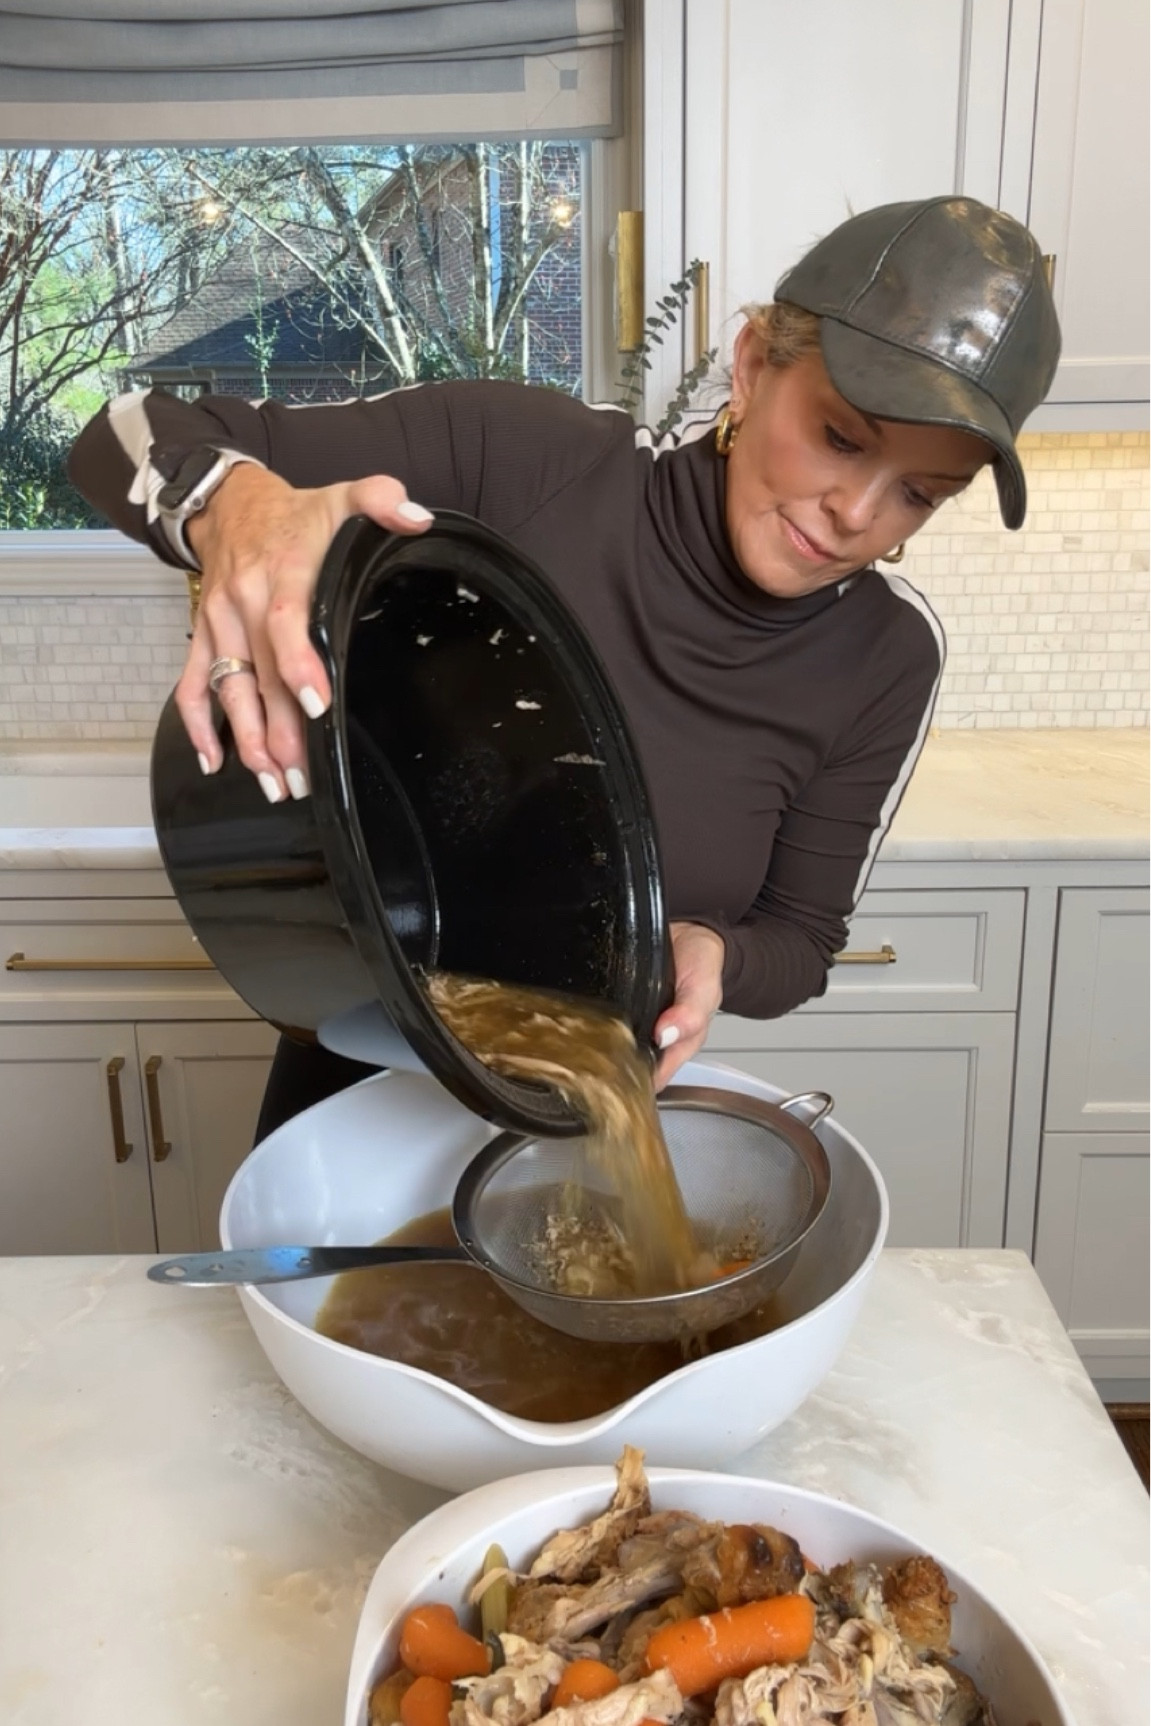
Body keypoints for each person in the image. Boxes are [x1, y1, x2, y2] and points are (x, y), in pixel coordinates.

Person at [69, 195, 1060, 1137]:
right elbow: (119, 435)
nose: (856, 513)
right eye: (840, 438)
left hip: (584, 1102)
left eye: (919, 495)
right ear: (753, 366)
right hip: (363, 1056)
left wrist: (715, 951)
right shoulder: (524, 461)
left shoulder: (883, 658)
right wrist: (238, 512)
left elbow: (800, 938)